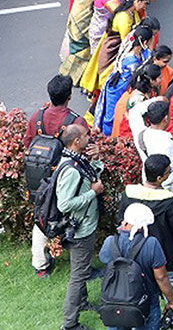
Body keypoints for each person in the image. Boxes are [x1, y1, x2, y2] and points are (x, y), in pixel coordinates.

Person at [121, 154, 173, 326]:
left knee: (140, 297)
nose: (170, 174)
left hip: (135, 259)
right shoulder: (170, 202)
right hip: (167, 260)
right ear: (160, 177)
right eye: (168, 172)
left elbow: (122, 223)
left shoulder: (129, 194)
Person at [26, 76, 87, 277]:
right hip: (66, 177)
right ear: (69, 96)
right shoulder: (76, 122)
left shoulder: (37, 117)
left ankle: (40, 264)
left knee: (42, 217)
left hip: (41, 178)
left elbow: (28, 144)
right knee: (76, 214)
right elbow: (84, 148)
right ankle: (78, 257)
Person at [98, 202, 173, 330]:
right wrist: (171, 302)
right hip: (145, 300)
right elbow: (161, 277)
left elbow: (105, 261)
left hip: (113, 301)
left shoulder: (110, 242)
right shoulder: (151, 244)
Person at [56, 125, 103, 330]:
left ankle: (82, 303)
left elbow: (89, 179)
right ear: (76, 141)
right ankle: (69, 324)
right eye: (85, 136)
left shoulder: (76, 159)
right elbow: (64, 204)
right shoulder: (72, 169)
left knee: (81, 270)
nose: (88, 138)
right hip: (81, 230)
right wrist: (93, 193)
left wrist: (97, 160)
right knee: (78, 276)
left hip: (83, 226)